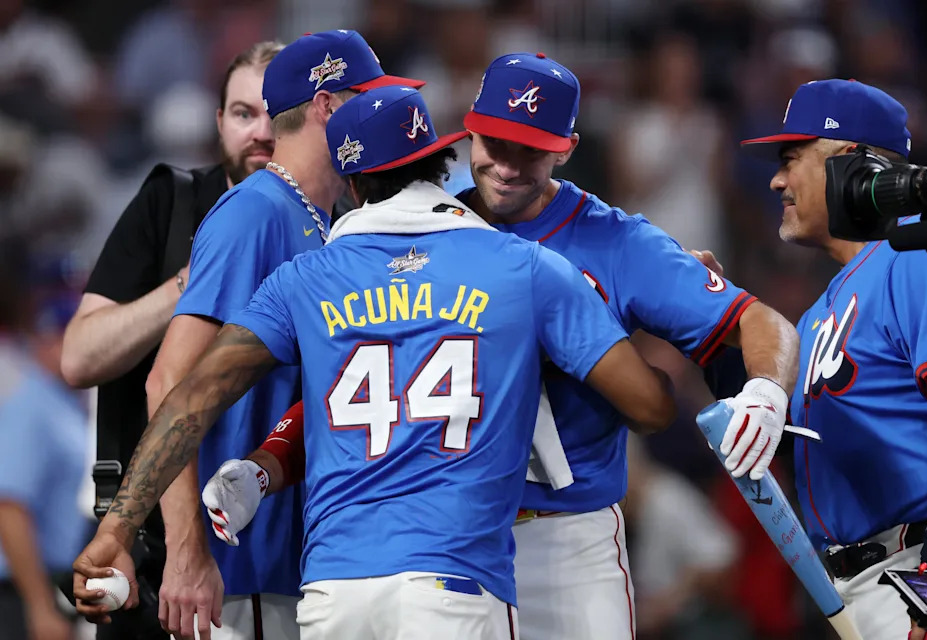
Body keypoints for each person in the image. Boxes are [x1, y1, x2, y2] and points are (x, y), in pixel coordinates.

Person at [203, 52, 801, 640]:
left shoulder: (618, 242)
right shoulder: (418, 232)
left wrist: (766, 392)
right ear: (468, 132)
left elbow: (758, 321)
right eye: (494, 142)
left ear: (566, 148)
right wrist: (266, 466)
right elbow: (365, 389)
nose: (508, 166)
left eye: (531, 149)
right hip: (444, 548)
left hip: (566, 542)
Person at [72, 84, 676, 640]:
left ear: (353, 184)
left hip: (335, 592)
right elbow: (648, 409)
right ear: (443, 164)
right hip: (455, 584)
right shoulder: (522, 267)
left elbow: (187, 400)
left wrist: (118, 529)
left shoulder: (304, 280)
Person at [142, 30, 425, 640]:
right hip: (242, 570)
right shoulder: (255, 212)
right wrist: (187, 550)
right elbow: (168, 379)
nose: (379, 113)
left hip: (303, 560)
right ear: (327, 106)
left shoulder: (325, 218)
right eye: (365, 98)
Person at [58, 39, 283, 640]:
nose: (260, 133)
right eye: (242, 113)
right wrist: (197, 280)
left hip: (285, 546)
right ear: (218, 123)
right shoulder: (173, 202)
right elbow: (80, 357)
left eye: (275, 114)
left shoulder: (331, 220)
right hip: (152, 549)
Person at [737, 78, 927, 640]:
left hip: (920, 571)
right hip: (853, 588)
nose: (777, 179)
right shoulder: (818, 313)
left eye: (792, 158)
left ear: (851, 163)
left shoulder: (924, 253)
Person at [0, 242, 89, 640]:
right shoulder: (31, 404)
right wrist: (38, 605)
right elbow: (10, 507)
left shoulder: (64, 401)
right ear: (48, 338)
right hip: (20, 594)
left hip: (55, 584)